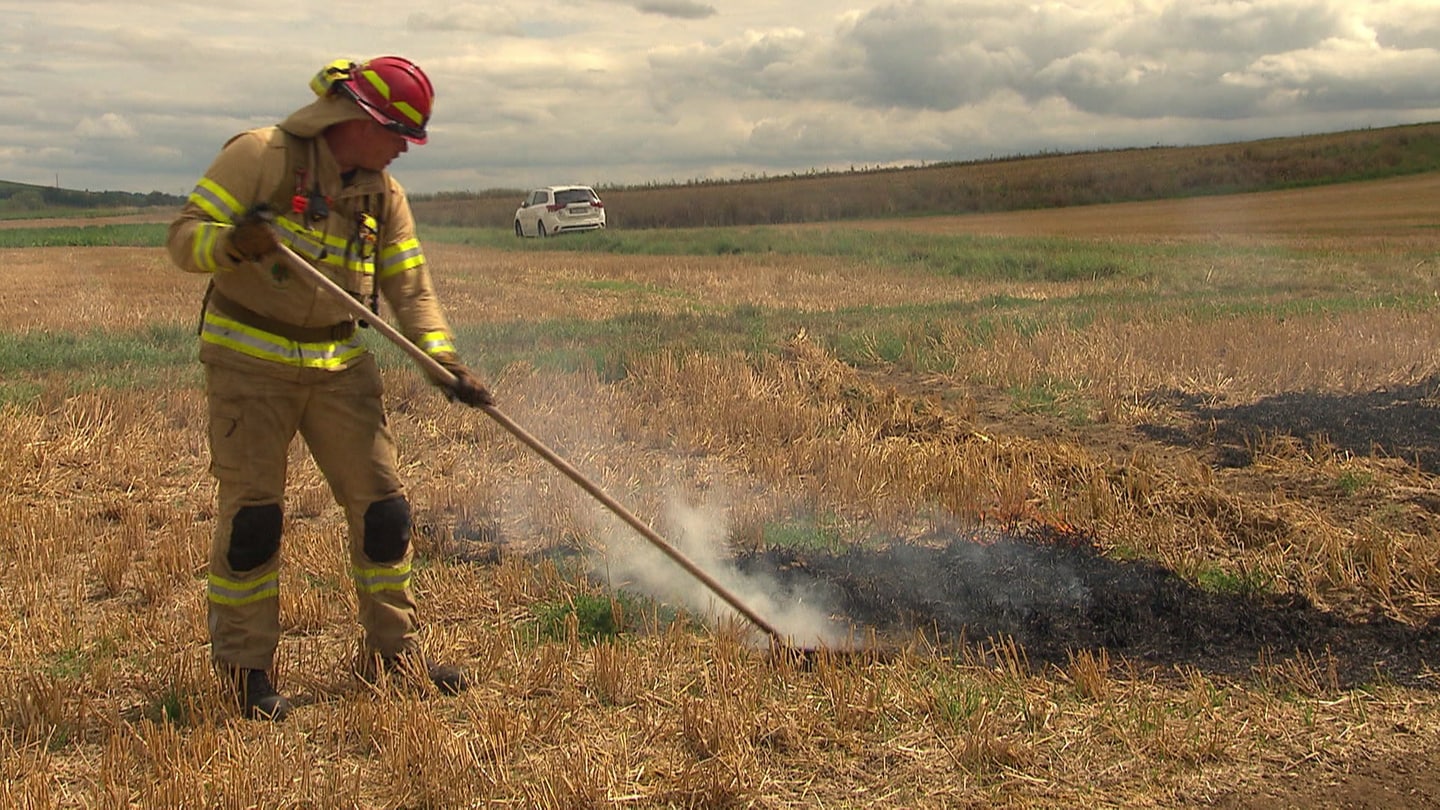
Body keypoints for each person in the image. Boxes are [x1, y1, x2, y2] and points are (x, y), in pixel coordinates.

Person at [166, 56, 492, 721]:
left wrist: (445, 363)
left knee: (386, 514)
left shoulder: (382, 196)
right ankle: (244, 673)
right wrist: (235, 243)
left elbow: (410, 288)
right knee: (254, 521)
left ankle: (393, 657)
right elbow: (182, 241)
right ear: (358, 119)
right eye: (399, 134)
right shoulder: (260, 156)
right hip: (248, 360)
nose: (404, 150)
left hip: (339, 365)